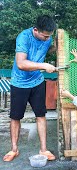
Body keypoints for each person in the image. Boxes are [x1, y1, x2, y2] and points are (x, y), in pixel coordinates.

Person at [3, 15, 57, 162]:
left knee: (41, 115)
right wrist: (44, 66)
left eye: (49, 36)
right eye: (45, 36)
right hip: (19, 83)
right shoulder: (24, 37)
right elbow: (21, 63)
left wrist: (57, 47)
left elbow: (47, 48)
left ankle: (44, 149)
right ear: (35, 30)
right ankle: (14, 149)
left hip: (37, 82)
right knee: (15, 117)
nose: (47, 39)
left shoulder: (48, 38)